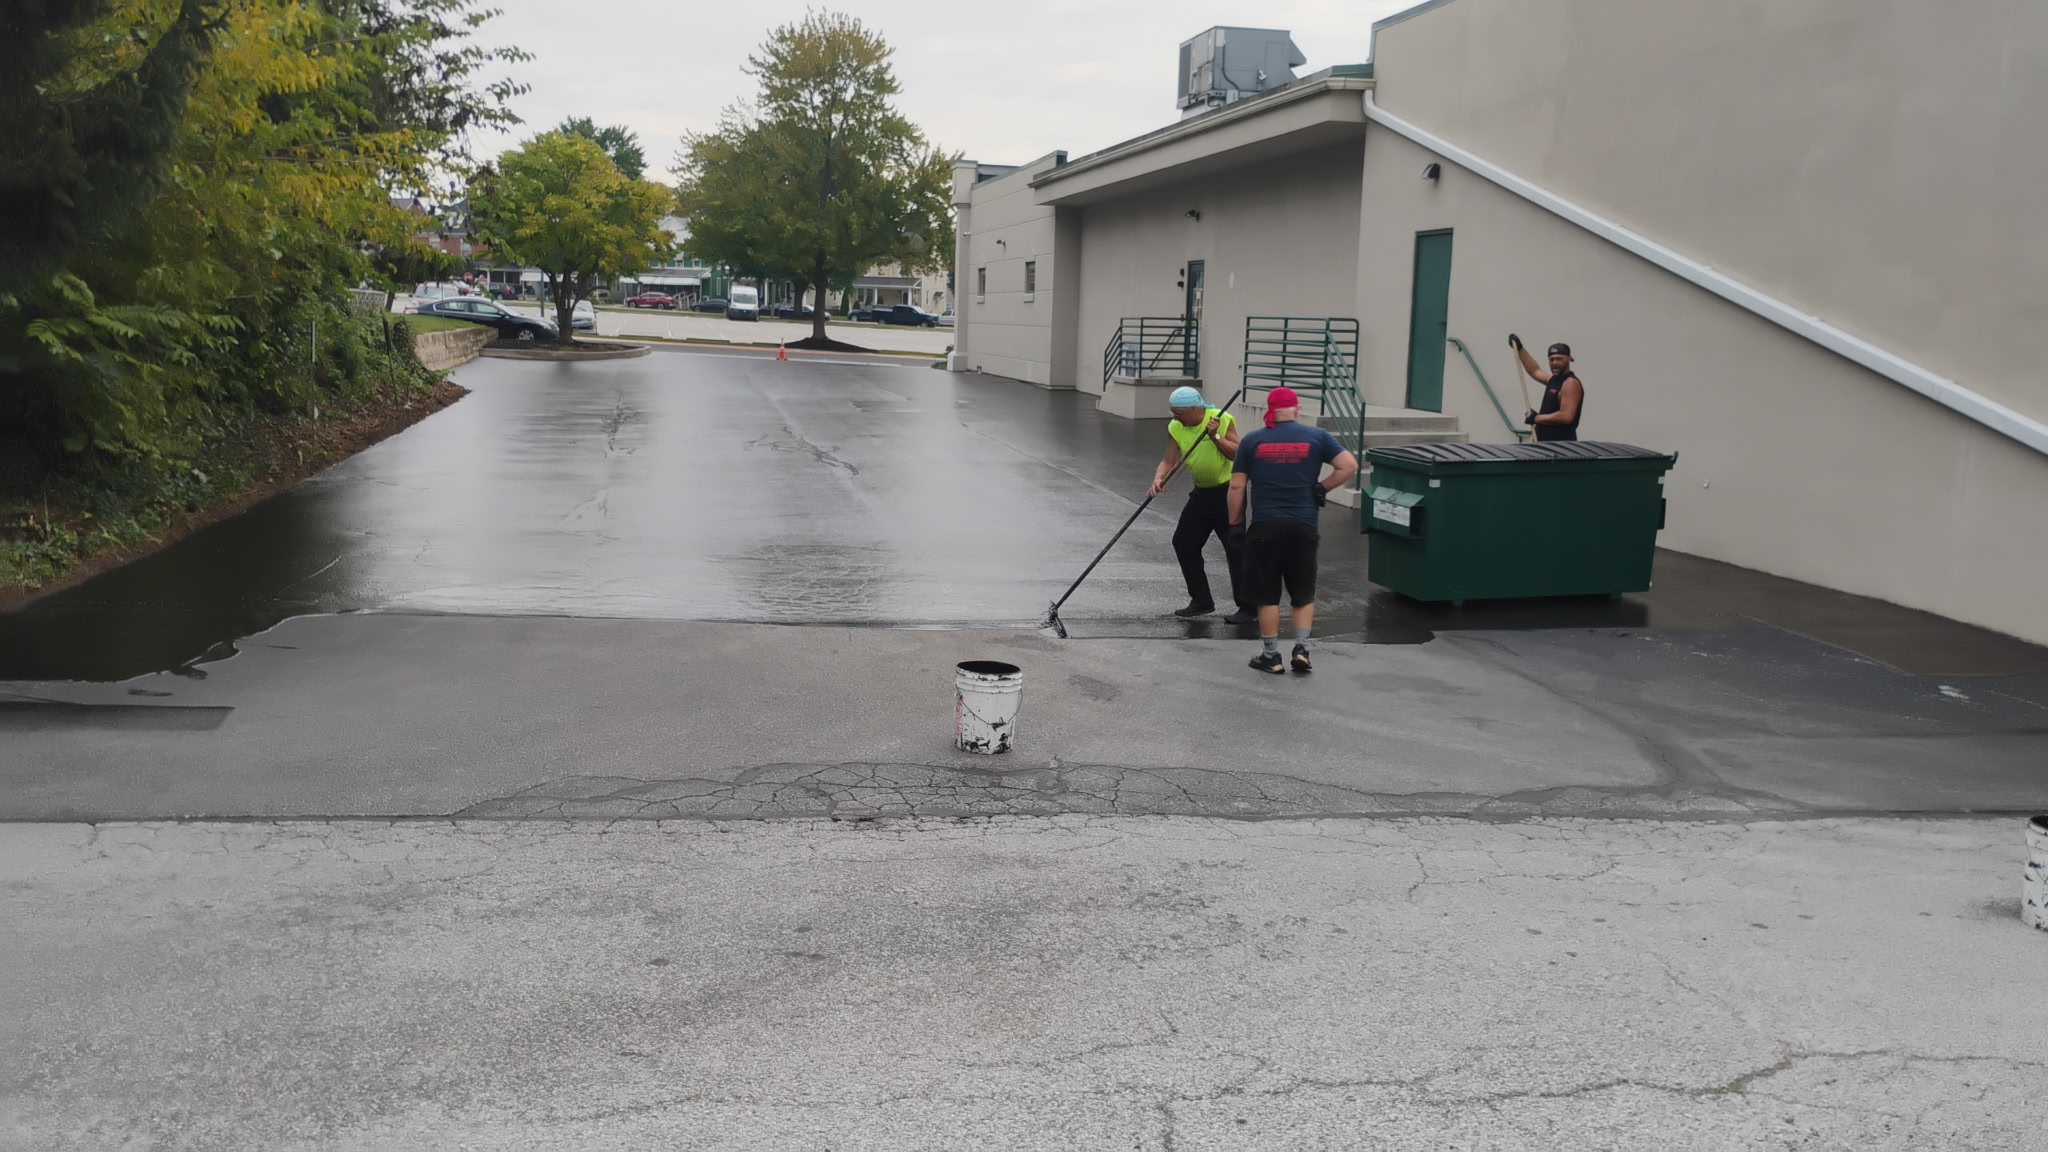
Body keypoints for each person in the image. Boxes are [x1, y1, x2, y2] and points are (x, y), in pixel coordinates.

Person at [1226, 386, 1359, 674]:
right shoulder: (1317, 437)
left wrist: (1235, 524)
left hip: (1265, 528)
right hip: (1303, 526)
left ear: (1269, 411)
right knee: (1302, 594)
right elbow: (1348, 465)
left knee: (1267, 595)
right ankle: (1301, 649)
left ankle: (1271, 656)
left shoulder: (1252, 441)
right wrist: (1322, 488)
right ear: (1296, 409)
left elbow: (1236, 486)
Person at [1149, 386, 1255, 622]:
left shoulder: (1221, 419)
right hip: (1202, 493)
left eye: (1180, 413)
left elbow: (1238, 454)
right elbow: (1168, 460)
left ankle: (1248, 607)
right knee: (1184, 543)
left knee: (1235, 548)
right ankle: (1201, 601)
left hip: (1229, 493)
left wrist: (1215, 436)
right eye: (1173, 413)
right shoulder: (1175, 427)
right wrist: (1159, 478)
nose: (1176, 417)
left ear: (1196, 409)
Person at [1509, 334, 1584, 441]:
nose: (1554, 363)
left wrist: (1536, 418)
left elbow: (1566, 416)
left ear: (1569, 359)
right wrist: (1520, 348)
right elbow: (1535, 370)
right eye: (1551, 359)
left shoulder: (1570, 383)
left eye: (1559, 359)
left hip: (1560, 448)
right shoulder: (1553, 379)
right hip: (1545, 445)